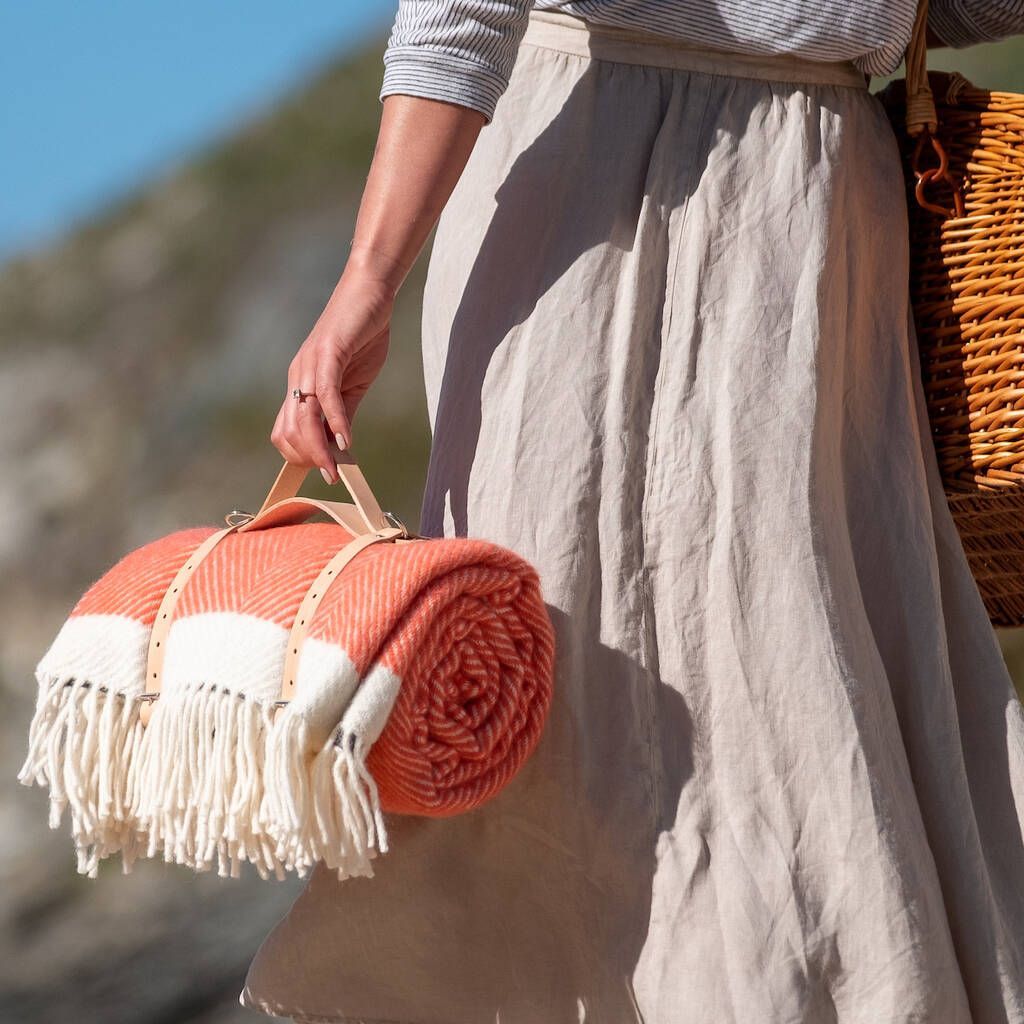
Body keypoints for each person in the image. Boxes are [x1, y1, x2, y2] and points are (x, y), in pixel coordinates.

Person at [247, 2, 1024, 1021]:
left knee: (805, 688)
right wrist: (367, 278)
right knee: (571, 684)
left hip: (817, 219)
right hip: (596, 191)